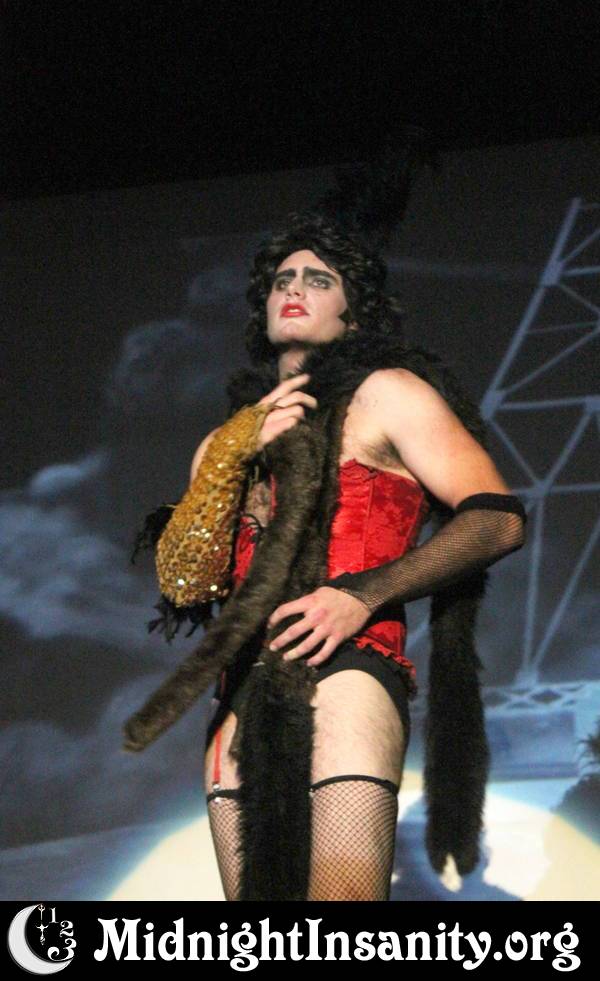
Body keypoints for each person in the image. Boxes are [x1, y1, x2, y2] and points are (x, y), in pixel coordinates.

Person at [125, 214, 527, 902]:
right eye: (283, 279)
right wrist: (230, 459)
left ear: (353, 309)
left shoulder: (387, 392)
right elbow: (187, 584)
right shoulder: (225, 441)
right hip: (241, 693)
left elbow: (497, 517)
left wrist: (362, 594)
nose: (294, 289)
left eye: (318, 279)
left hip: (349, 665)